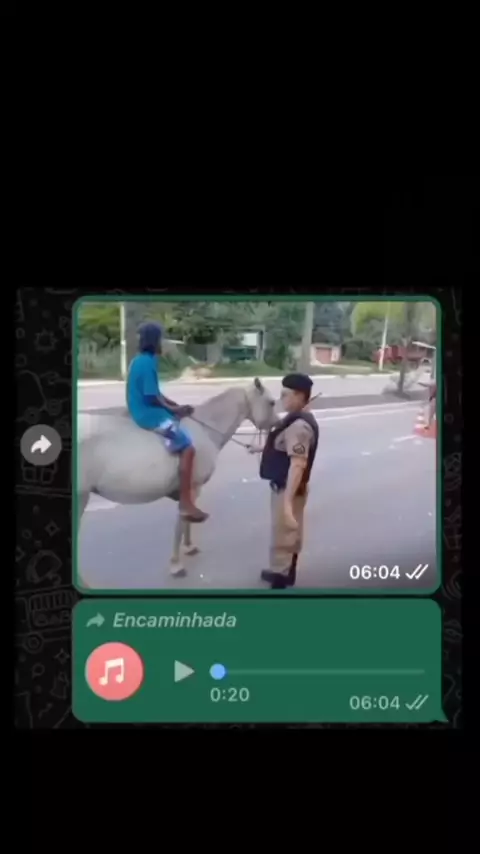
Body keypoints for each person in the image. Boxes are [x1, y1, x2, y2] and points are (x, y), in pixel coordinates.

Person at [126, 321, 208, 523]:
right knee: (188, 448)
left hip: (145, 409)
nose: (163, 343)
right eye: (161, 339)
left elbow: (157, 394)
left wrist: (175, 406)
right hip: (148, 415)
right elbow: (152, 398)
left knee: (179, 422)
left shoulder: (140, 360)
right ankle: (185, 502)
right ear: (154, 341)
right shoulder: (148, 363)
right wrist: (173, 410)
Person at [250, 373, 319, 589]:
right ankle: (288, 571)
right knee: (290, 531)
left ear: (299, 396)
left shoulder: (299, 426)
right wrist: (260, 448)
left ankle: (280, 576)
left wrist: (287, 502)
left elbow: (297, 464)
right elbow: (284, 446)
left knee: (283, 532)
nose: (282, 399)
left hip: (288, 488)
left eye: (285, 395)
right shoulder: (294, 419)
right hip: (289, 488)